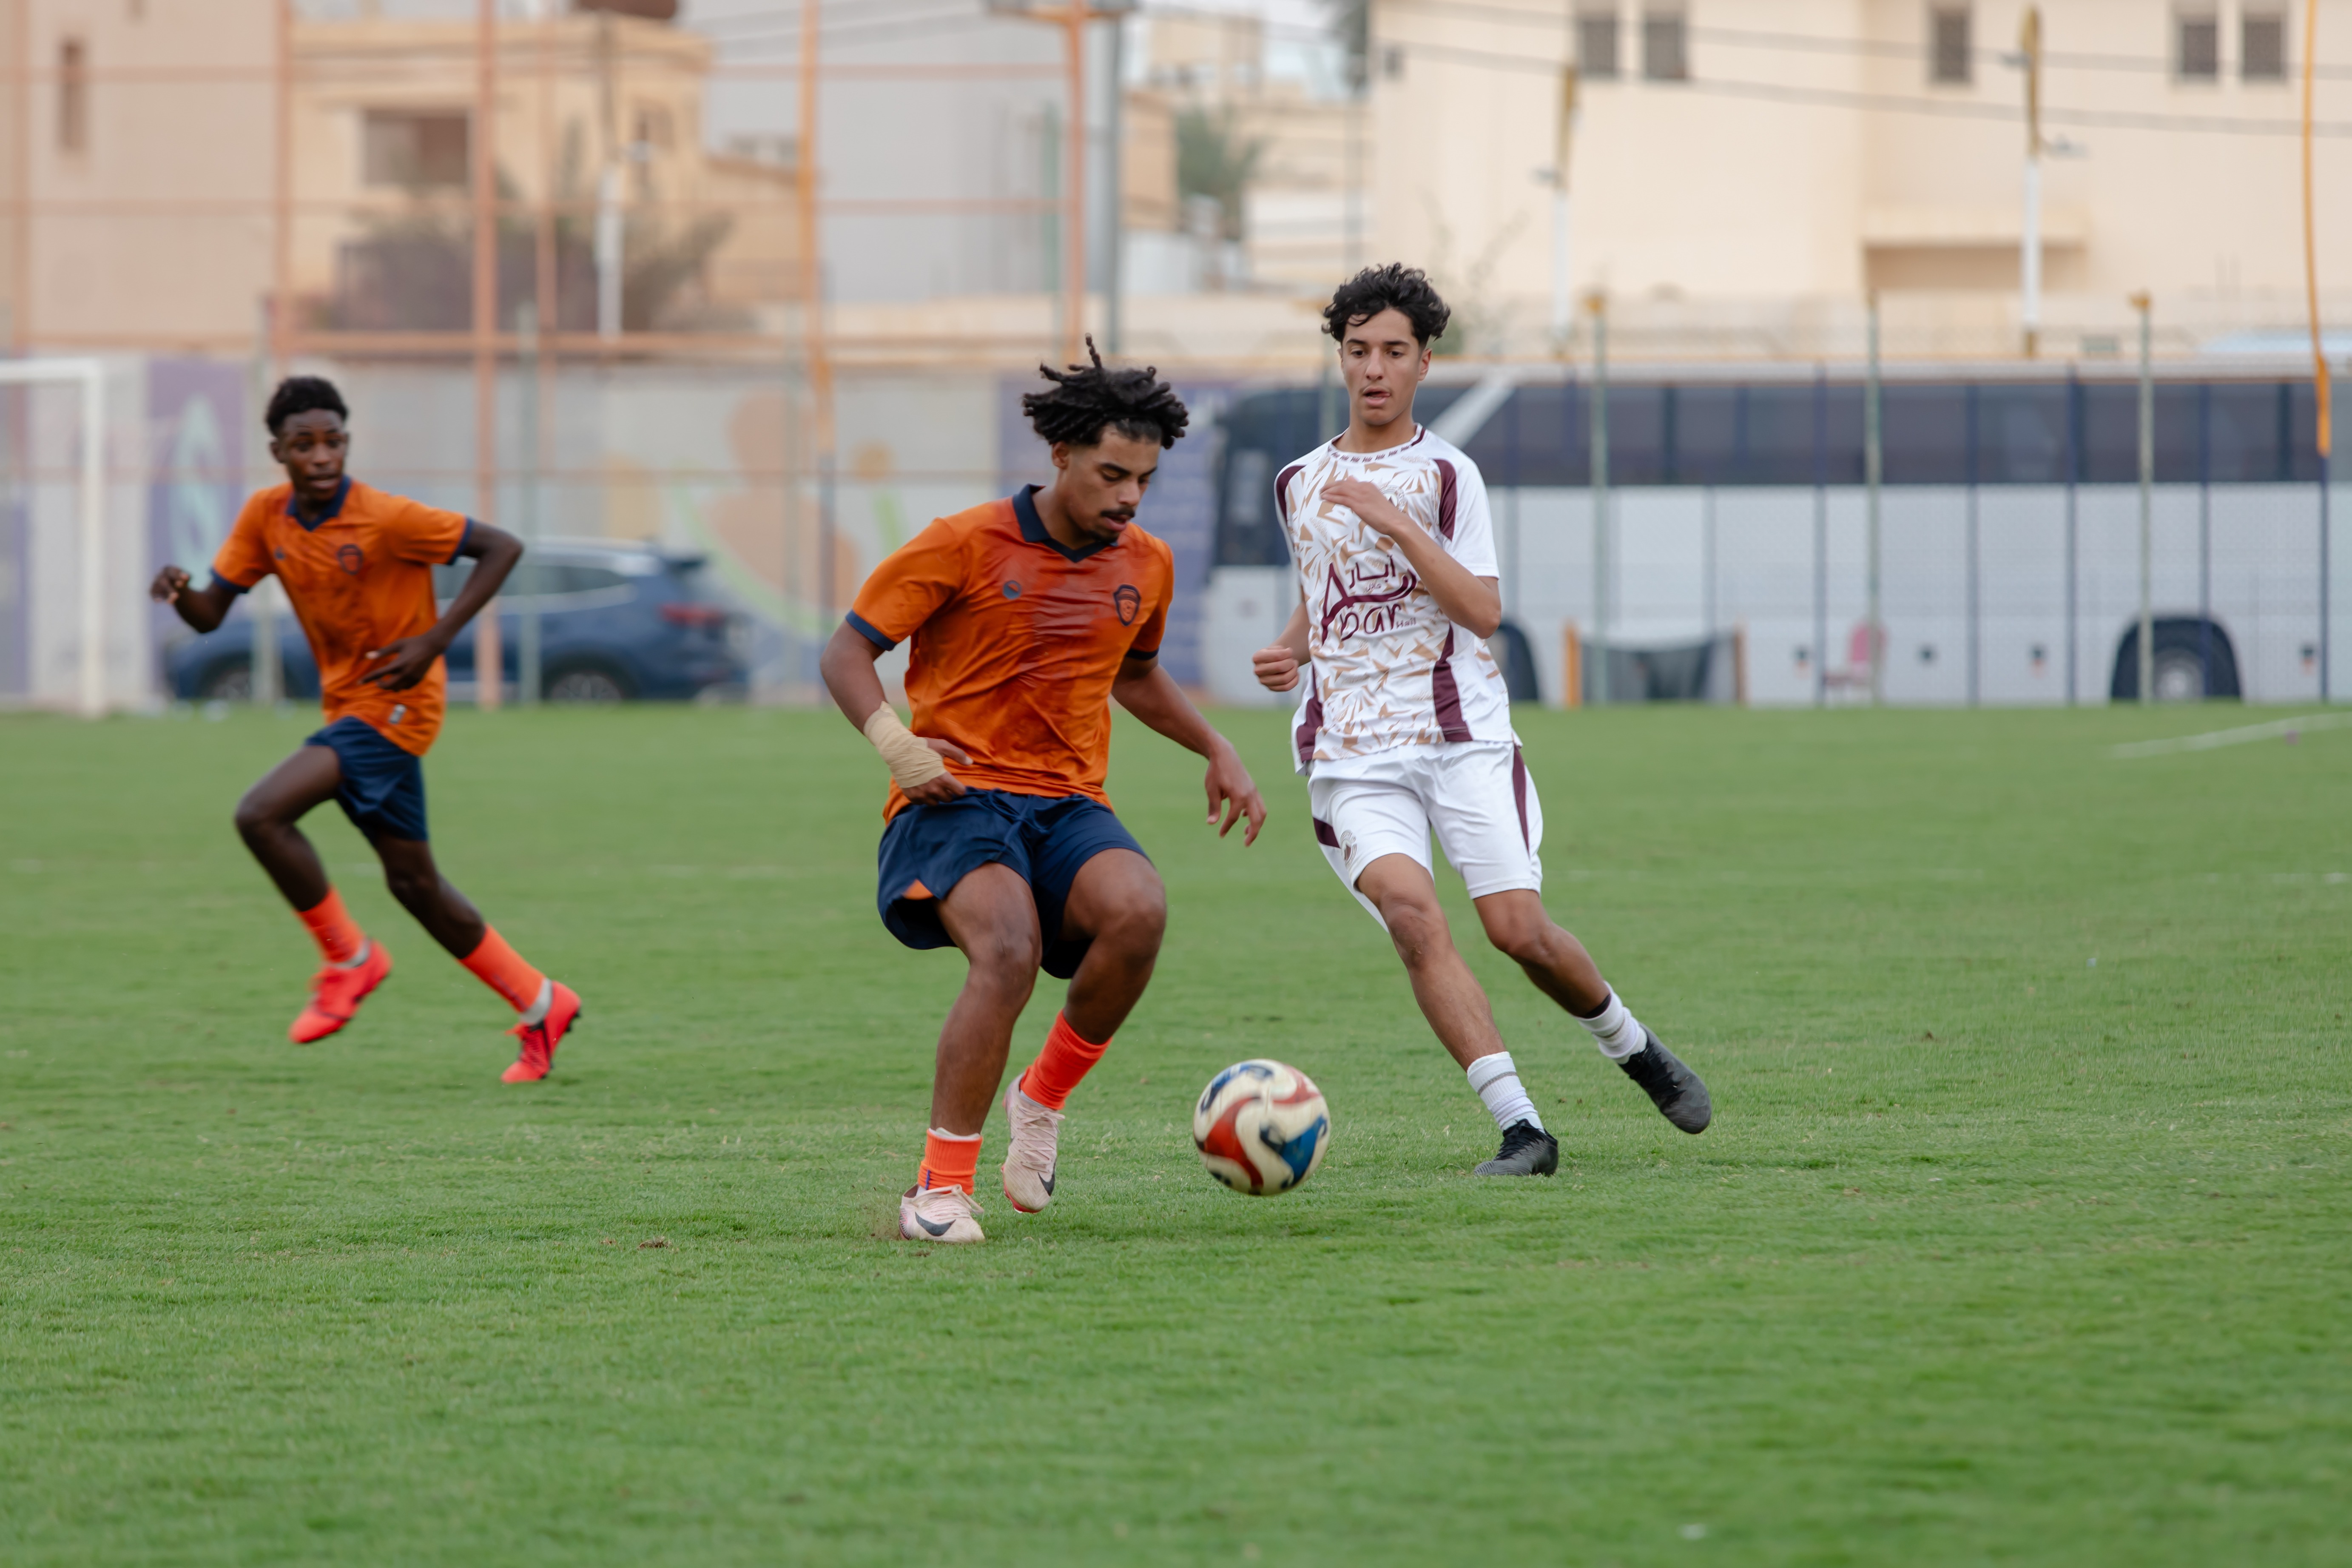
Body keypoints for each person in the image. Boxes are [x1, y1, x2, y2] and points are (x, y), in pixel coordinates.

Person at [1251, 265, 1711, 1176]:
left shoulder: (1448, 474)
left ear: (1426, 361)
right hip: (1351, 753)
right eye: (1357, 350)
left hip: (1459, 737)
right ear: (1338, 357)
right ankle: (1521, 1128)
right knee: (1415, 918)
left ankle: (1631, 1043)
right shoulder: (1297, 481)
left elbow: (1483, 609)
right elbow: (1327, 587)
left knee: (1517, 930)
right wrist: (1292, 647)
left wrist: (1398, 522)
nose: (1374, 369)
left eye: (1394, 352)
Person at [821, 341, 1266, 1244]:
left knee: (1139, 908)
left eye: (1143, 477)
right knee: (1010, 945)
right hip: (954, 796)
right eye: (1112, 474)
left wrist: (1215, 744)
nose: (1129, 496)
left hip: (1065, 804)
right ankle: (939, 1191)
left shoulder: (1145, 562)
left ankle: (1043, 1096)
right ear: (1060, 456)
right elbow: (845, 651)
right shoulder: (961, 542)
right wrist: (895, 745)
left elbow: (1135, 675)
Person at [150, 376, 580, 1084]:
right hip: (349, 710)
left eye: (334, 441)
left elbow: (503, 547)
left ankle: (349, 960)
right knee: (414, 884)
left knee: (261, 814)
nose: (322, 456)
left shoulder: (387, 517)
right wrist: (180, 593)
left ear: (346, 443)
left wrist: (436, 638)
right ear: (278, 452)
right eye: (304, 444)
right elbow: (211, 614)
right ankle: (543, 1002)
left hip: (398, 707)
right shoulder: (266, 516)